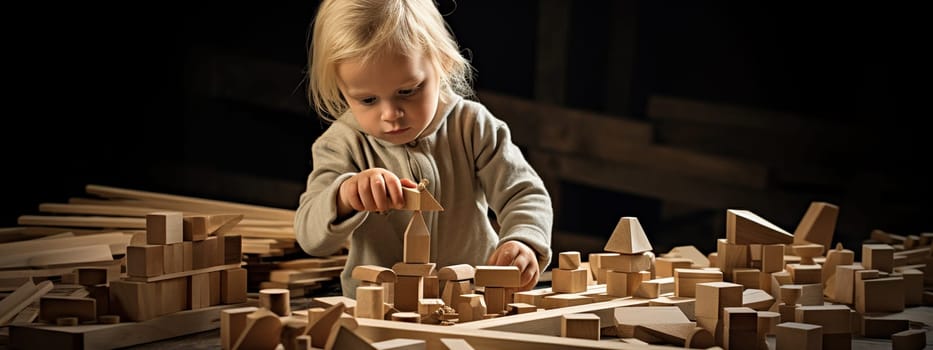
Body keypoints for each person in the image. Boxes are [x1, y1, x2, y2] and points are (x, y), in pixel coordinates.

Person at [295, 0, 553, 298]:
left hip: (473, 297)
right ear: (343, 90)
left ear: (442, 63)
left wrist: (524, 241)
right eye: (368, 100)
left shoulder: (472, 125)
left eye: (407, 91)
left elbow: (523, 192)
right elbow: (310, 237)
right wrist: (344, 196)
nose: (390, 114)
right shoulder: (342, 143)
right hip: (379, 306)